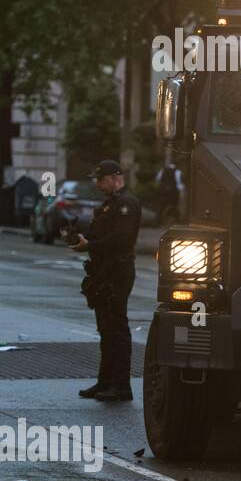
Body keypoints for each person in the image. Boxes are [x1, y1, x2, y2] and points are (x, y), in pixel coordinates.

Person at [70, 160, 141, 402]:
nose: (98, 184)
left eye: (101, 180)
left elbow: (121, 238)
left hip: (117, 272)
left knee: (116, 329)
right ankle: (105, 382)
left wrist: (90, 245)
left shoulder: (126, 205)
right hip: (103, 273)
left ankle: (121, 387)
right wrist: (77, 236)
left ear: (115, 177)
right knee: (106, 329)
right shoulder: (110, 205)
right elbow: (98, 233)